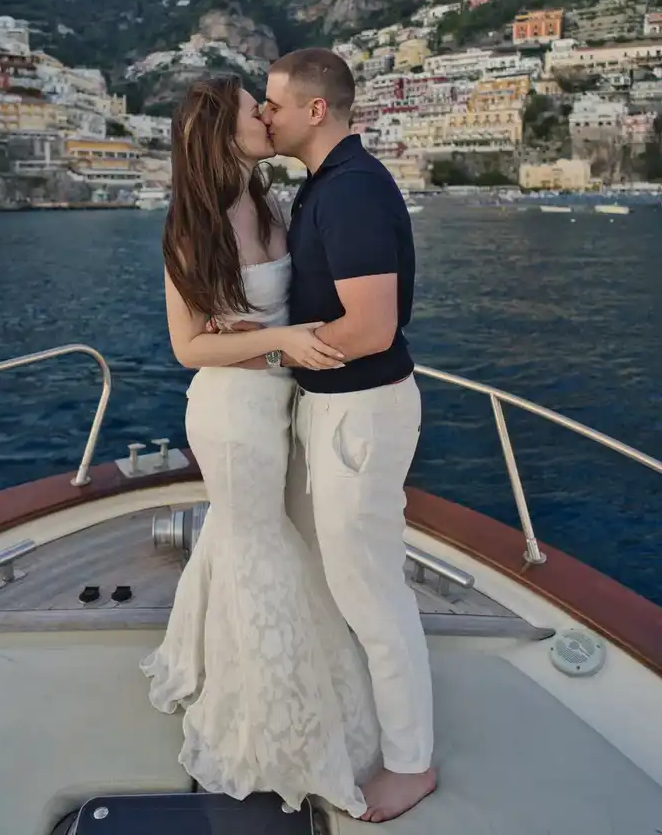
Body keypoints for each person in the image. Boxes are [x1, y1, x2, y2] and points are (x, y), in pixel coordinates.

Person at [140, 75, 381, 818]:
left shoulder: (269, 200)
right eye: (256, 109)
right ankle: (275, 726)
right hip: (230, 415)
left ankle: (215, 660)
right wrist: (282, 342)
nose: (267, 116)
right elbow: (188, 347)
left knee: (248, 541)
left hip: (277, 403)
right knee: (259, 548)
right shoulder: (192, 223)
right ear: (224, 131)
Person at [261, 48, 436, 824]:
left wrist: (273, 347)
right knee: (351, 582)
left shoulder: (353, 191)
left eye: (273, 104)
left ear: (315, 111)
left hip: (359, 415)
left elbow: (371, 328)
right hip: (335, 410)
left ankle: (412, 764)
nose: (266, 116)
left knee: (372, 592)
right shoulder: (325, 188)